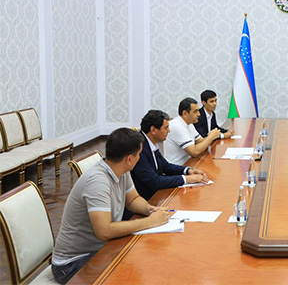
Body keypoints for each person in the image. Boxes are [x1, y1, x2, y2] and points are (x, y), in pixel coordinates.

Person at [51, 128, 171, 284]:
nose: (140, 158)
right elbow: (104, 231)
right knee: (133, 273)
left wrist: (151, 210)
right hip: (72, 264)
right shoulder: (98, 182)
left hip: (99, 249)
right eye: (139, 154)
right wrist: (150, 222)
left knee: (142, 259)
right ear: (129, 159)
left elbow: (133, 199)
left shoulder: (121, 169)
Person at [131, 110, 210, 201]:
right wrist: (186, 179)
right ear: (153, 130)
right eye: (166, 128)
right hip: (146, 200)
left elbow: (166, 166)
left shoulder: (151, 142)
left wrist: (188, 170)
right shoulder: (139, 148)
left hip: (156, 195)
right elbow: (155, 181)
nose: (169, 131)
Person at [165, 97, 221, 165]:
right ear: (185, 113)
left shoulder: (189, 123)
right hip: (178, 167)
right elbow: (195, 152)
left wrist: (212, 135)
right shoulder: (176, 126)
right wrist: (211, 137)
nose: (199, 114)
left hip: (190, 163)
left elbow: (201, 141)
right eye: (195, 111)